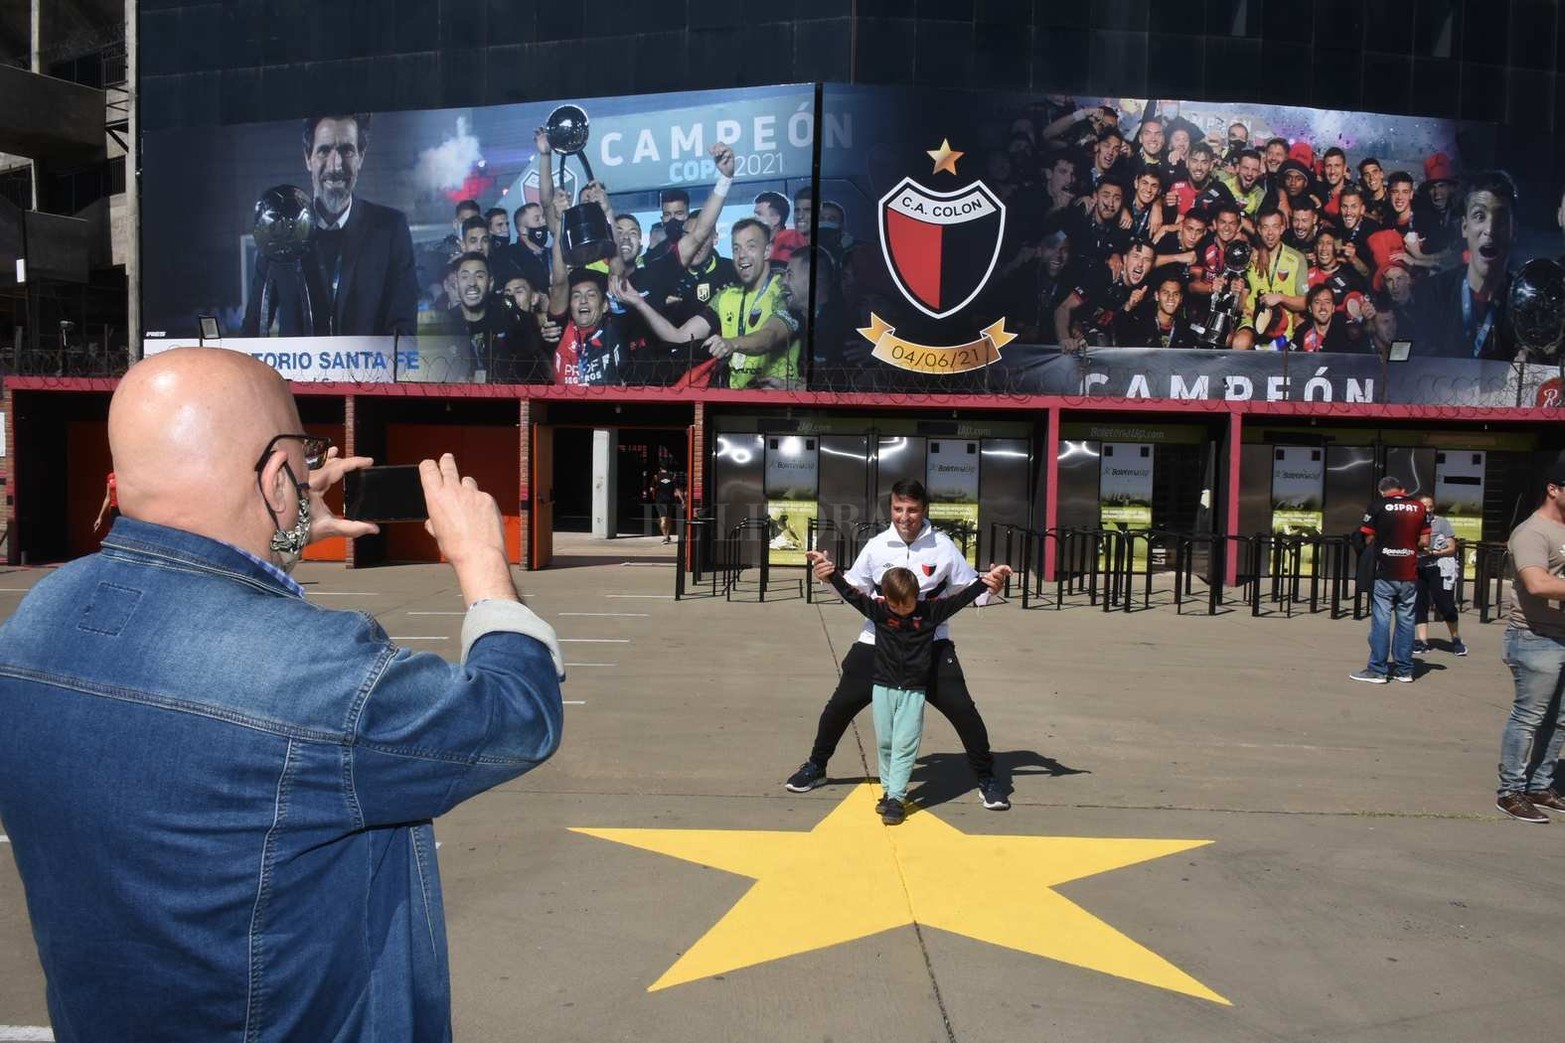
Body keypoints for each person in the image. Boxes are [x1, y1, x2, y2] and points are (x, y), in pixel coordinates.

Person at [0, 347, 564, 1039]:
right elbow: (515, 716)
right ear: (274, 476)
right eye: (302, 455)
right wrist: (480, 558)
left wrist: (280, 524)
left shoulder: (38, 618)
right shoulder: (318, 670)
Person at [784, 479, 1012, 811]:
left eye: (912, 510)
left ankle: (987, 778)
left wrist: (991, 585)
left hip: (930, 644)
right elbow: (852, 589)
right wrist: (826, 574)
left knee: (964, 711)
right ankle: (816, 766)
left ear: (924, 510)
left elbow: (970, 592)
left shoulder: (943, 547)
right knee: (840, 706)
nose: (904, 516)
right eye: (898, 509)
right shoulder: (877, 546)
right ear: (891, 508)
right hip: (878, 643)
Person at [810, 552, 1010, 825]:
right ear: (886, 600)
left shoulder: (929, 613)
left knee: (905, 743)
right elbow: (851, 593)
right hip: (882, 686)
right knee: (885, 743)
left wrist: (987, 580)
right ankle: (887, 791)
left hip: (913, 690)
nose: (904, 609)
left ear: (917, 596)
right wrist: (831, 572)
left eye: (909, 604)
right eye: (896, 605)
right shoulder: (880, 612)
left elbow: (960, 599)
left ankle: (897, 798)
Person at [242, 113, 419, 338]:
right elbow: (253, 328)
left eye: (346, 150)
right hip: (296, 375)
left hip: (367, 374)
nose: (336, 165)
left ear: (361, 157)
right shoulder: (278, 230)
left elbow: (404, 331)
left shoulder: (390, 229)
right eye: (324, 150)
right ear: (308, 158)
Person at [1494, 459, 1565, 822]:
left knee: (1560, 719)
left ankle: (1540, 784)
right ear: (1554, 489)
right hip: (1536, 637)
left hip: (1561, 637)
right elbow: (1538, 584)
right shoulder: (1532, 532)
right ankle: (1510, 791)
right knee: (1529, 717)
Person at [1350, 476, 1430, 684]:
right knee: (1406, 620)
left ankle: (1377, 669)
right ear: (1401, 489)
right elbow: (1424, 541)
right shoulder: (1419, 507)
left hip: (1384, 570)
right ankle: (1404, 669)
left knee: (1381, 621)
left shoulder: (1377, 506)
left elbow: (1368, 538)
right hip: (1409, 571)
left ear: (1381, 490)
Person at [1411, 494, 1466, 657]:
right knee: (1420, 605)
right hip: (1418, 568)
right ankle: (1422, 640)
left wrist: (1435, 552)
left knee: (1446, 605)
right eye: (1424, 506)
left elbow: (1452, 547)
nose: (1428, 510)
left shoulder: (1441, 522)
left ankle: (1456, 638)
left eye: (1430, 506)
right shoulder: (1411, 523)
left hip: (1438, 568)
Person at [651, 465, 684, 543]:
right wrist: (682, 499)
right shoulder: (673, 476)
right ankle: (666, 535)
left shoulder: (656, 476)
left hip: (660, 500)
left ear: (660, 468)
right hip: (670, 500)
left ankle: (665, 536)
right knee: (668, 519)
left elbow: (652, 489)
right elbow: (677, 489)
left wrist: (654, 494)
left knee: (663, 519)